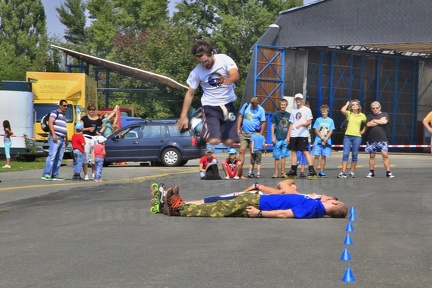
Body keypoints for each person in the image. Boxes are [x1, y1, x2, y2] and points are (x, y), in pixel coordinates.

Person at [177, 40, 240, 146]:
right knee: (214, 140)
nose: (204, 64)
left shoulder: (224, 59)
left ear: (211, 53)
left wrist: (227, 80)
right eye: (200, 62)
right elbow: (190, 94)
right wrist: (183, 116)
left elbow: (235, 75)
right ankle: (196, 124)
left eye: (206, 61)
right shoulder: (196, 72)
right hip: (210, 107)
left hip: (228, 105)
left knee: (229, 142)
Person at [163, 184, 348, 219]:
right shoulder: (314, 205)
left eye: (331, 198)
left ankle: (178, 209)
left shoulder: (314, 208)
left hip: (259, 205)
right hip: (258, 200)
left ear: (333, 204)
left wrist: (259, 213)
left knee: (217, 209)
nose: (328, 196)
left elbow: (285, 214)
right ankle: (179, 204)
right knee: (219, 205)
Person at [285, 93, 317, 179]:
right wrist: (288, 135)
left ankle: (311, 169)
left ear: (302, 100)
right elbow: (291, 123)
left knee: (305, 151)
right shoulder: (293, 111)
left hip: (302, 134)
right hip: (294, 134)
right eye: (296, 99)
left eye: (299, 99)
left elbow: (309, 121)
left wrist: (302, 125)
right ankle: (293, 169)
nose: (298, 100)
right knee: (293, 152)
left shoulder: (306, 110)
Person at [364, 101, 395, 178]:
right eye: (373, 108)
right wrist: (379, 121)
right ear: (371, 109)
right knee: (372, 156)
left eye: (377, 108)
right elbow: (368, 124)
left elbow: (384, 121)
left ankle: (388, 172)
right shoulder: (369, 116)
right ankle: (371, 172)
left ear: (380, 107)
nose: (375, 109)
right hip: (371, 139)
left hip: (382, 139)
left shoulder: (384, 114)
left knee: (385, 155)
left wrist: (374, 121)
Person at [237, 97, 266, 176]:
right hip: (244, 132)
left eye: (254, 105)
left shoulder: (261, 110)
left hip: (254, 134)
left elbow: (263, 122)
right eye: (252, 105)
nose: (253, 107)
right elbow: (240, 116)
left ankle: (251, 171)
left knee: (252, 152)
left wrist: (260, 134)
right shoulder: (246, 106)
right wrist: (238, 128)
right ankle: (240, 171)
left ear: (257, 103)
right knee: (242, 150)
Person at [338, 99, 367, 178]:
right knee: (345, 154)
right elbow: (342, 110)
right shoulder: (349, 114)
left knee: (354, 154)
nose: (354, 106)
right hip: (348, 136)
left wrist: (362, 131)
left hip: (357, 137)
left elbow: (366, 124)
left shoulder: (362, 116)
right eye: (353, 104)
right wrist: (347, 104)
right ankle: (343, 172)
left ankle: (352, 172)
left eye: (356, 104)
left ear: (358, 107)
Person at [41, 100, 68, 181]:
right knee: (52, 155)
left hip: (62, 138)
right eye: (64, 105)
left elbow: (64, 128)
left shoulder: (63, 116)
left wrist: (66, 139)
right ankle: (46, 174)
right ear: (60, 106)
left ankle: (55, 174)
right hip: (56, 137)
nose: (66, 107)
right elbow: (50, 122)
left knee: (59, 158)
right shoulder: (54, 112)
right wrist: (54, 134)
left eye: (67, 106)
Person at [81, 103, 104, 181]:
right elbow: (80, 128)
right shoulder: (84, 118)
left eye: (93, 110)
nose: (91, 111)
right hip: (86, 137)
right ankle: (85, 174)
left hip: (95, 138)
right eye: (90, 109)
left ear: (95, 111)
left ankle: (94, 174)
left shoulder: (98, 119)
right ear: (88, 110)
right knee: (86, 155)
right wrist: (88, 129)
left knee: (94, 156)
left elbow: (103, 126)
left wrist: (99, 132)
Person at [311, 104, 335, 178]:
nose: (324, 113)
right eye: (322, 112)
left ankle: (321, 171)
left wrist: (326, 138)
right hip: (318, 140)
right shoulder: (318, 120)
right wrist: (321, 137)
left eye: (325, 112)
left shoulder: (331, 121)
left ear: (328, 112)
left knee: (324, 156)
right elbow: (315, 129)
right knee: (316, 156)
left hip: (327, 141)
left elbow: (331, 130)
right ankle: (314, 171)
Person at [271, 98, 291, 178]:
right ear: (280, 105)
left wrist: (289, 137)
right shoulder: (276, 114)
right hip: (278, 137)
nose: (283, 106)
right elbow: (272, 126)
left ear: (286, 106)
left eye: (284, 105)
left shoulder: (289, 115)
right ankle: (276, 172)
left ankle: (283, 172)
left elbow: (290, 126)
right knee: (276, 156)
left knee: (284, 156)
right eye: (281, 105)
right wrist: (272, 137)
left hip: (285, 138)